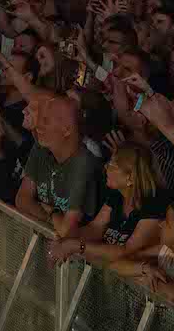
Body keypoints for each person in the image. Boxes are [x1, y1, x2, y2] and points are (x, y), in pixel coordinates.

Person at [15, 93, 106, 241]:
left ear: (66, 130)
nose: (39, 125)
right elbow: (22, 199)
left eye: (46, 121)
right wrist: (52, 218)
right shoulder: (41, 147)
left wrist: (49, 212)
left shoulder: (84, 163)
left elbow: (67, 230)